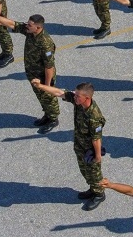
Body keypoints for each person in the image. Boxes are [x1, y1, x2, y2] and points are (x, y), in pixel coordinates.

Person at [33, 81, 107, 210]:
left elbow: (96, 139)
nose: (75, 97)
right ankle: (93, 189)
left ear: (87, 98)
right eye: (75, 94)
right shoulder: (78, 101)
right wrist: (40, 86)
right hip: (79, 145)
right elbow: (59, 93)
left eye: (78, 96)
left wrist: (97, 156)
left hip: (90, 149)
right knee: (85, 171)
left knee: (94, 173)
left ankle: (99, 194)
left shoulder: (94, 116)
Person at [0, 11, 60, 133]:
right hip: (33, 73)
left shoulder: (45, 44)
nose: (27, 26)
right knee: (41, 97)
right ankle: (47, 114)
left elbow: (49, 67)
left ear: (38, 27)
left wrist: (46, 85)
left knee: (47, 97)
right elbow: (13, 24)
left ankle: (53, 119)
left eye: (30, 25)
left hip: (43, 76)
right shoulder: (31, 31)